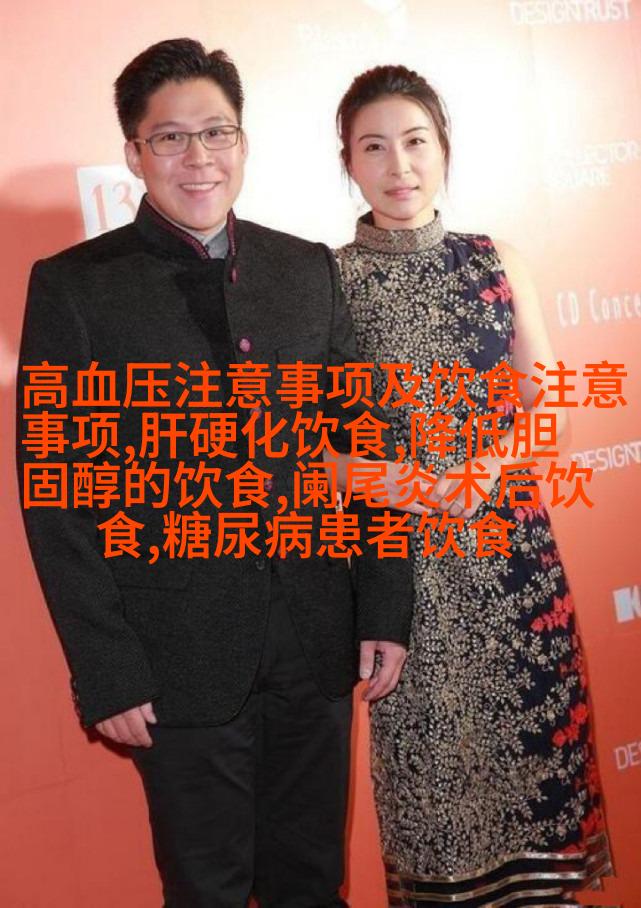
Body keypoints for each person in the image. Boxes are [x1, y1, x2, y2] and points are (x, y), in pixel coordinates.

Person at [16, 40, 412, 907]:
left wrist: (383, 603)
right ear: (134, 153)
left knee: (312, 883)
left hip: (314, 636)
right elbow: (55, 495)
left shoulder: (304, 268)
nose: (198, 157)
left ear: (242, 141)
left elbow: (368, 448)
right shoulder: (74, 289)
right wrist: (107, 670)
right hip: (176, 659)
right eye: (170, 138)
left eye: (216, 132)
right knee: (207, 890)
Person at [332, 65, 613, 907]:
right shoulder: (327, 279)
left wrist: (485, 466)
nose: (398, 166)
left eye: (415, 141)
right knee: (434, 794)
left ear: (443, 149)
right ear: (346, 162)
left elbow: (550, 409)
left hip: (515, 569)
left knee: (537, 776)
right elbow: (313, 453)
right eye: (373, 147)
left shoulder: (496, 260)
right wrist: (396, 481)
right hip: (404, 586)